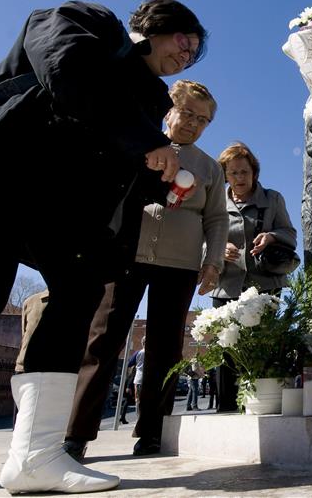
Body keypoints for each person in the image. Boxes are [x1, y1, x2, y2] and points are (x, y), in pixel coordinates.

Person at [0, 0, 207, 494]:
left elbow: (119, 163)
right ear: (154, 26)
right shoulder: (85, 24)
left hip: (62, 212)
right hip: (0, 177)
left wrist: (161, 184)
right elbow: (67, 72)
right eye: (184, 42)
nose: (186, 56)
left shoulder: (150, 99)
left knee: (80, 291)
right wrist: (147, 142)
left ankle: (37, 456)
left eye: (195, 55)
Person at [63, 79, 228, 460]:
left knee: (165, 348)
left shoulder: (209, 167)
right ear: (168, 110)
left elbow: (217, 218)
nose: (192, 124)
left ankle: (152, 431)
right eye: (186, 113)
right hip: (125, 255)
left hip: (181, 263)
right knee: (103, 338)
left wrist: (213, 262)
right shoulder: (138, 145)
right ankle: (77, 434)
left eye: (202, 120)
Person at [211, 142, 297, 411]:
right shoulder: (214, 200)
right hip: (226, 288)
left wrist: (272, 236)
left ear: (254, 173)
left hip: (264, 288)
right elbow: (202, 237)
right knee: (227, 351)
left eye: (244, 172)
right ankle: (226, 408)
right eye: (233, 173)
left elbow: (290, 235)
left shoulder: (273, 199)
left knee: (261, 349)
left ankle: (262, 407)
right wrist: (215, 248)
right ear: (225, 174)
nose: (239, 178)